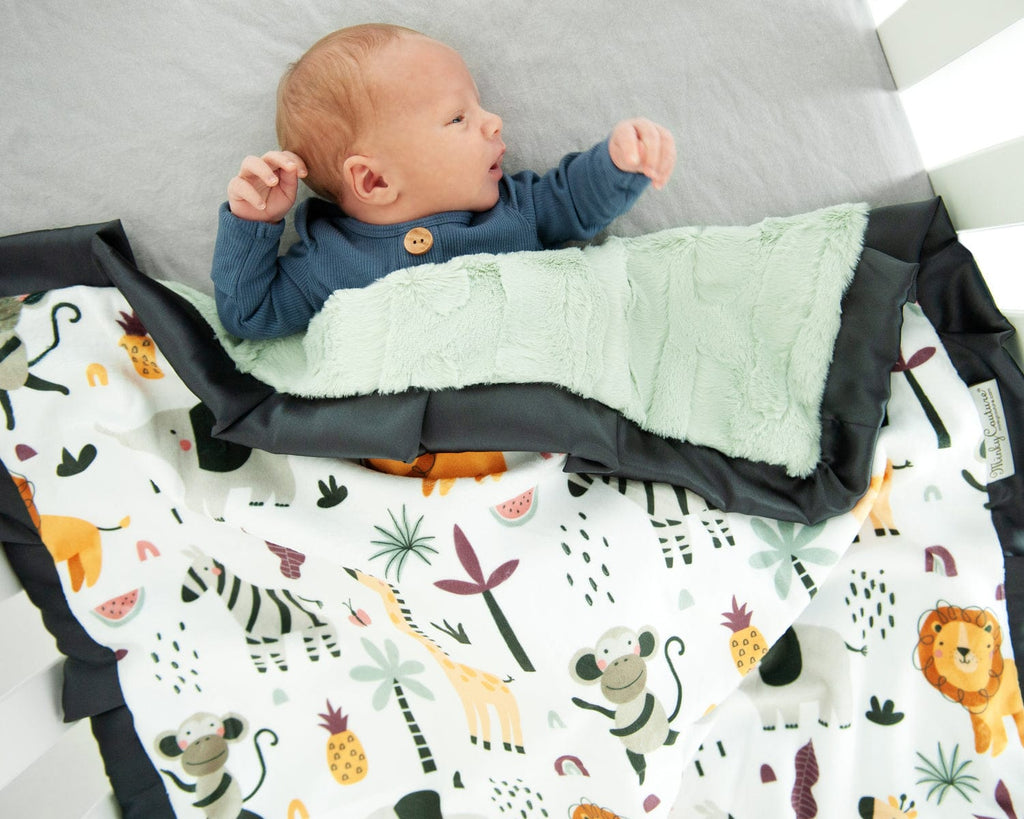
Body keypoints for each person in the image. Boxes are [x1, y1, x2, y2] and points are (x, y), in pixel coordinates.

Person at [212, 23, 676, 339]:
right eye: (458, 117)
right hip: (415, 443)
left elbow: (574, 199)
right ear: (373, 181)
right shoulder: (329, 262)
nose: (494, 121)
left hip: (531, 413)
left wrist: (618, 162)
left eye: (479, 106)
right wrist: (253, 222)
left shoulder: (515, 209)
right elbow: (249, 315)